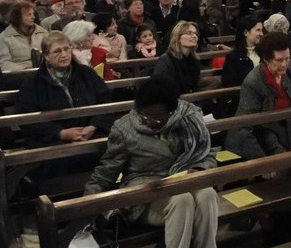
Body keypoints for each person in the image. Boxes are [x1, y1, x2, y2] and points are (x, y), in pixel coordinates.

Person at [83, 76, 218, 248]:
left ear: (172, 111)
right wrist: (86, 209)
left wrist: (199, 168)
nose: (150, 120)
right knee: (181, 199)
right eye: (145, 114)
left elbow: (205, 153)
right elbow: (105, 173)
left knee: (207, 193)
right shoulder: (124, 129)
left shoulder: (188, 118)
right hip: (145, 197)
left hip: (183, 182)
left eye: (158, 116)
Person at [16, 31, 113, 148]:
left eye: (67, 49)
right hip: (53, 141)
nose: (64, 55)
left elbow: (105, 101)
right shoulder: (33, 82)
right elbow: (26, 117)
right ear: (46, 56)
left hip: (92, 133)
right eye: (57, 51)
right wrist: (61, 133)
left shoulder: (86, 73)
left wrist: (93, 126)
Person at [224, 32, 291, 159]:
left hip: (290, 128)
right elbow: (247, 126)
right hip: (264, 135)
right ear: (266, 59)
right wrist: (261, 158)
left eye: (287, 58)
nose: (284, 64)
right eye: (279, 60)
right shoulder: (254, 81)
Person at [152, 21, 202, 95]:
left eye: (195, 33)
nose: (194, 36)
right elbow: (159, 88)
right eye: (189, 33)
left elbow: (195, 86)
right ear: (178, 38)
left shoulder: (195, 60)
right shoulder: (165, 60)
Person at [0, 1, 49, 71]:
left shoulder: (43, 33)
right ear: (18, 17)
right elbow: (3, 62)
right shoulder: (5, 37)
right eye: (28, 15)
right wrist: (24, 71)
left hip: (42, 72)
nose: (33, 17)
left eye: (33, 14)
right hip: (19, 75)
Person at [222, 16, 265, 87]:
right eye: (258, 30)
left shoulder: (264, 52)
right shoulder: (234, 57)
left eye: (261, 30)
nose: (261, 34)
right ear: (246, 32)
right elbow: (229, 83)